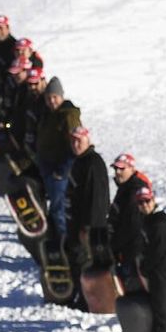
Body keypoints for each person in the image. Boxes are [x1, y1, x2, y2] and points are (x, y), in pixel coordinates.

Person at [65, 126, 111, 309]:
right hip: (76, 221)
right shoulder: (80, 161)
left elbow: (97, 198)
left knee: (85, 261)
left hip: (88, 225)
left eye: (79, 140)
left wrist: (89, 227)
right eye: (73, 140)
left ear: (88, 141)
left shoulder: (92, 163)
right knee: (76, 259)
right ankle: (78, 295)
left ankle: (86, 300)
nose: (76, 144)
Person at [135, 186, 166, 332]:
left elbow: (157, 252)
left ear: (153, 200)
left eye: (147, 201)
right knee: (156, 311)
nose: (144, 205)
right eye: (140, 202)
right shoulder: (149, 220)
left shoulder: (159, 222)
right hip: (155, 273)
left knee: (161, 314)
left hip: (162, 274)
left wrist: (144, 267)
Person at [35, 76, 81, 239]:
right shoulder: (48, 113)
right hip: (48, 167)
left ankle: (64, 241)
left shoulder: (68, 115)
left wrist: (62, 170)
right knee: (53, 208)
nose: (52, 101)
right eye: (48, 98)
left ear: (61, 96)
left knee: (58, 207)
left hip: (59, 171)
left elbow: (74, 146)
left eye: (55, 97)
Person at [107, 153, 152, 292]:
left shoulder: (134, 191)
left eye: (122, 169)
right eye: (116, 169)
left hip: (134, 252)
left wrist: (114, 246)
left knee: (136, 293)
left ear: (131, 169)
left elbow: (131, 225)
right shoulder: (125, 188)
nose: (118, 172)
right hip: (127, 251)